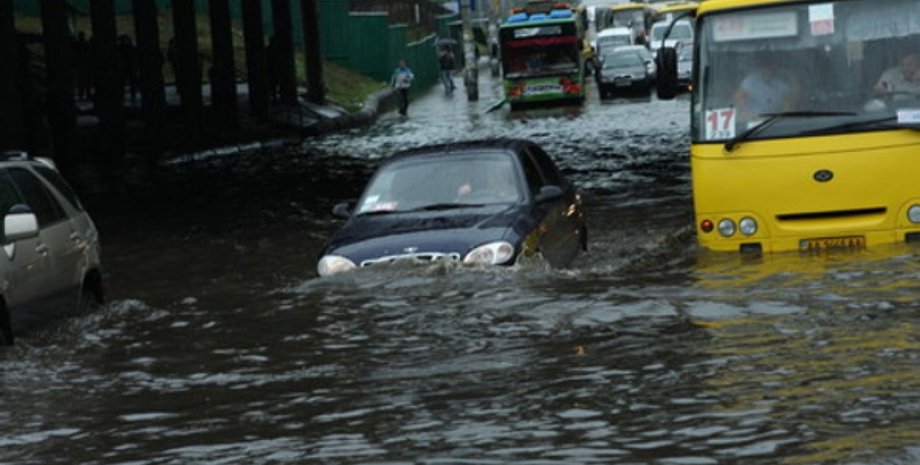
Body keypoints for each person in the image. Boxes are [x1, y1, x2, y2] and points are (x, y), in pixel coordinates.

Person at [734, 54, 796, 123]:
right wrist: (748, 115)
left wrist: (792, 77)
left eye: (774, 66)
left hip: (775, 122)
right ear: (762, 67)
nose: (770, 69)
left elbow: (791, 101)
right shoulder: (750, 81)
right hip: (754, 121)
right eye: (768, 66)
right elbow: (739, 101)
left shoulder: (781, 83)